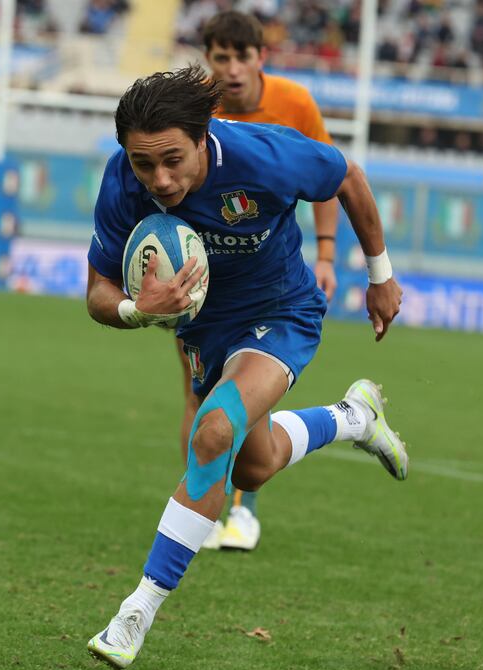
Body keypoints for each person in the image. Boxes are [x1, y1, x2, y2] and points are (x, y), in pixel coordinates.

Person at [84, 66, 407, 670]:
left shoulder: (264, 155)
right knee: (253, 468)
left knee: (212, 431)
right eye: (142, 164)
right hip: (207, 332)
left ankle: (137, 610)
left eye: (172, 160)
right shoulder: (121, 183)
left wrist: (380, 275)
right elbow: (97, 294)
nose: (159, 178)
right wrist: (136, 308)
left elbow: (349, 179)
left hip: (281, 311)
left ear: (204, 138)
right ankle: (355, 417)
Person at [191, 9, 342, 552]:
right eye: (220, 57)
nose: (231, 68)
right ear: (208, 60)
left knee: (248, 388)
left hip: (270, 270)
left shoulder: (294, 104)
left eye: (242, 56)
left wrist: (326, 255)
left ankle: (242, 510)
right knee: (202, 395)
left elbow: (332, 177)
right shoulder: (196, 107)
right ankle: (204, 508)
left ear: (261, 57)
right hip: (203, 276)